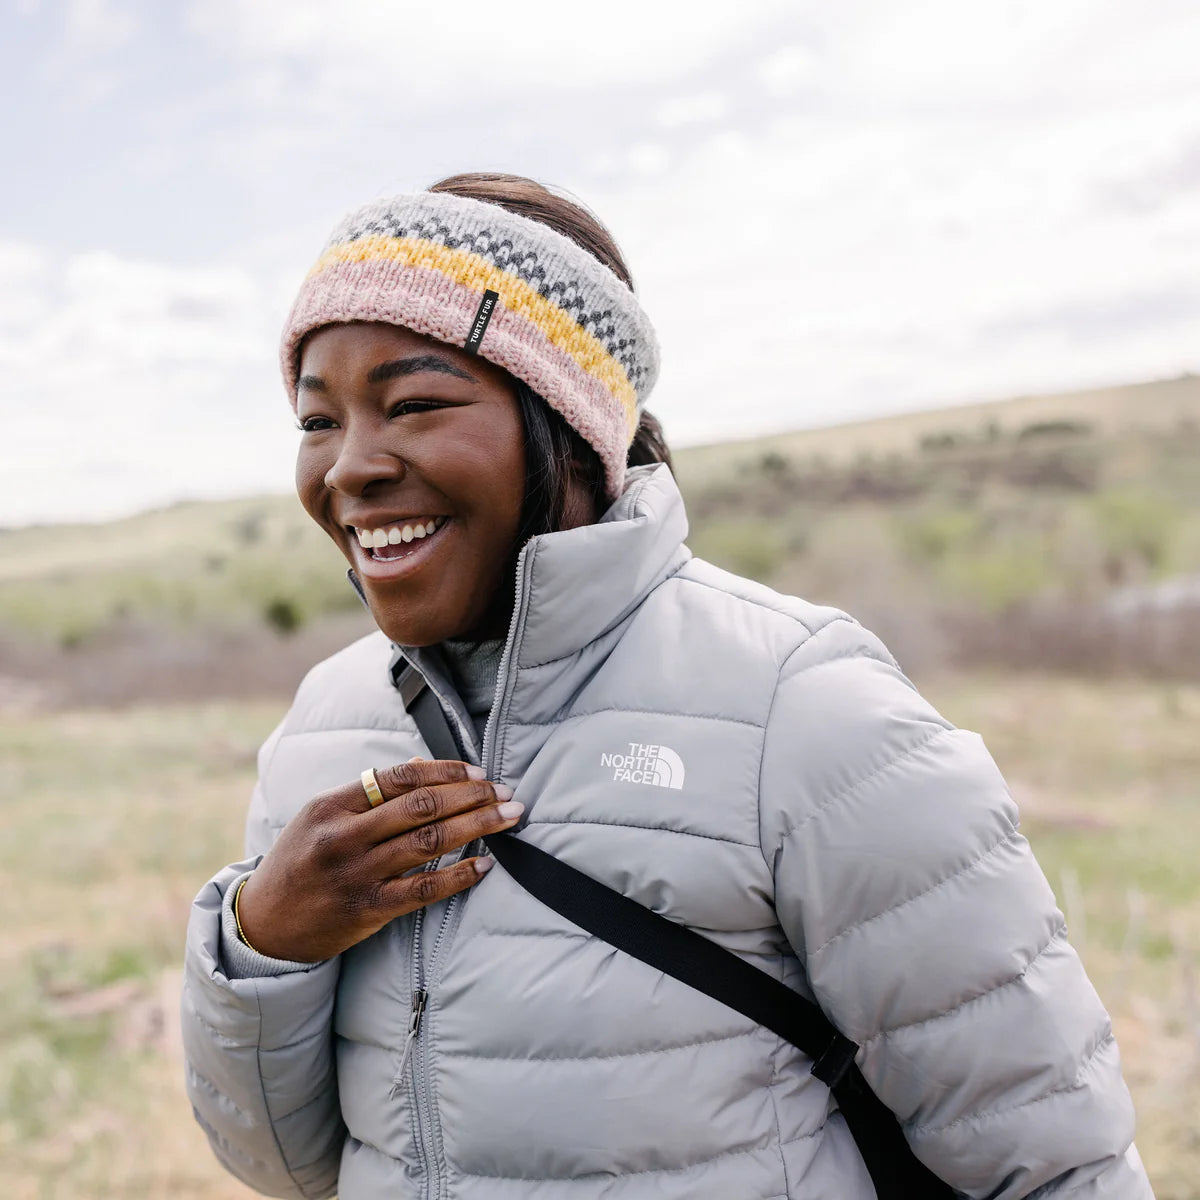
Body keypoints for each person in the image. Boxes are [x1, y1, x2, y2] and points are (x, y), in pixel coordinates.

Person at [181, 171, 1154, 1199]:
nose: (349, 469)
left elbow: (1051, 1163)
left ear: (571, 424)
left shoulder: (803, 706)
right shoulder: (325, 730)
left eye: (415, 403)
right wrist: (263, 940)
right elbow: (285, 1169)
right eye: (316, 422)